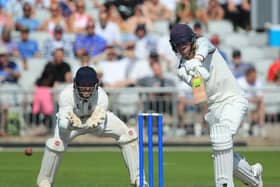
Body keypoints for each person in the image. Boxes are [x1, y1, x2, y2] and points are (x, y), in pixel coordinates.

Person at [169, 23, 263, 187]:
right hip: (214, 108)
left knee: (222, 140)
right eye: (178, 44)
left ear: (191, 40)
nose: (182, 47)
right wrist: (196, 72)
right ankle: (254, 178)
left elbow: (204, 48)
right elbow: (199, 89)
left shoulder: (204, 43)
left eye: (184, 42)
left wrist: (197, 61)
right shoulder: (181, 69)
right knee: (223, 153)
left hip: (233, 100)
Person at [37, 66, 147, 187]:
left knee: (129, 135)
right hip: (72, 124)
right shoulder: (66, 95)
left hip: (94, 121)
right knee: (55, 144)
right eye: (83, 88)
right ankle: (44, 182)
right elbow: (62, 125)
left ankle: (138, 179)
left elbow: (99, 128)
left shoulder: (102, 96)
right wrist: (71, 123)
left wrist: (94, 122)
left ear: (96, 85)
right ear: (75, 84)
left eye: (89, 88)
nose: (86, 92)